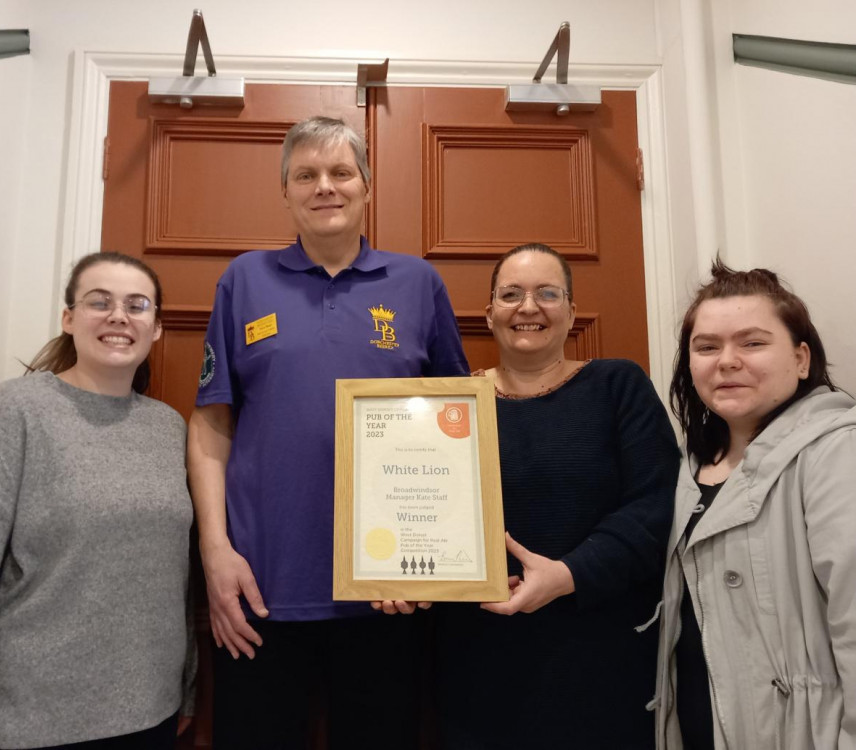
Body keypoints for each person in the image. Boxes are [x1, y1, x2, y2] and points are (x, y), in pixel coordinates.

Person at [189, 115, 469, 749]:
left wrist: (439, 561)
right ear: (285, 192)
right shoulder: (244, 280)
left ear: (366, 186)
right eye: (306, 175)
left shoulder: (419, 284)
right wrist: (214, 551)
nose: (325, 187)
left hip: (389, 592)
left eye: (342, 172)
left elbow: (458, 424)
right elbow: (210, 419)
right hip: (261, 589)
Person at [0, 252, 196, 750]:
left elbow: (172, 574)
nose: (118, 316)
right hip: (37, 723)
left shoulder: (168, 427)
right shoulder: (15, 411)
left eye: (137, 305)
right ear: (69, 318)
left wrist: (187, 685)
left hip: (154, 715)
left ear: (156, 328)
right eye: (100, 302)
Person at [434, 243, 680, 749]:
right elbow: (421, 512)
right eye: (511, 294)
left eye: (548, 293)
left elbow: (654, 508)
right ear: (490, 313)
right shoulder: (449, 402)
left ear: (570, 311)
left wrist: (567, 575)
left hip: (596, 655)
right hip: (475, 660)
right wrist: (395, 574)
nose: (528, 307)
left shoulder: (618, 385)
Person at [654, 260, 856, 749]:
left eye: (752, 342)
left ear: (802, 359)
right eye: (706, 347)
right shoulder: (686, 468)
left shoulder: (836, 453)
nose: (726, 361)